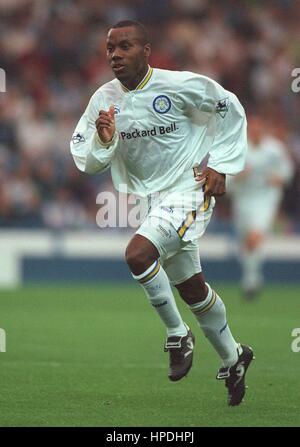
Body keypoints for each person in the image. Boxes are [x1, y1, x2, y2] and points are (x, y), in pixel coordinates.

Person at [70, 20, 253, 406]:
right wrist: (106, 142)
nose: (115, 55)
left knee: (137, 254)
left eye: (125, 46)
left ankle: (176, 334)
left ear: (146, 50)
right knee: (192, 289)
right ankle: (234, 357)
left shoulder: (179, 85)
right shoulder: (102, 100)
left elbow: (229, 106)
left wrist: (221, 163)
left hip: (190, 190)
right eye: (110, 48)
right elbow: (86, 160)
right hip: (151, 203)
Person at [229, 116, 293, 299]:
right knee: (245, 240)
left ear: (263, 130)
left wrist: (280, 178)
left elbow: (287, 169)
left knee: (255, 236)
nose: (256, 132)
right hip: (243, 199)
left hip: (266, 199)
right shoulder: (239, 149)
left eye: (259, 128)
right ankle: (252, 275)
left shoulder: (274, 149)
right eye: (252, 128)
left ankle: (250, 280)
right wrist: (238, 177)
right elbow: (227, 180)